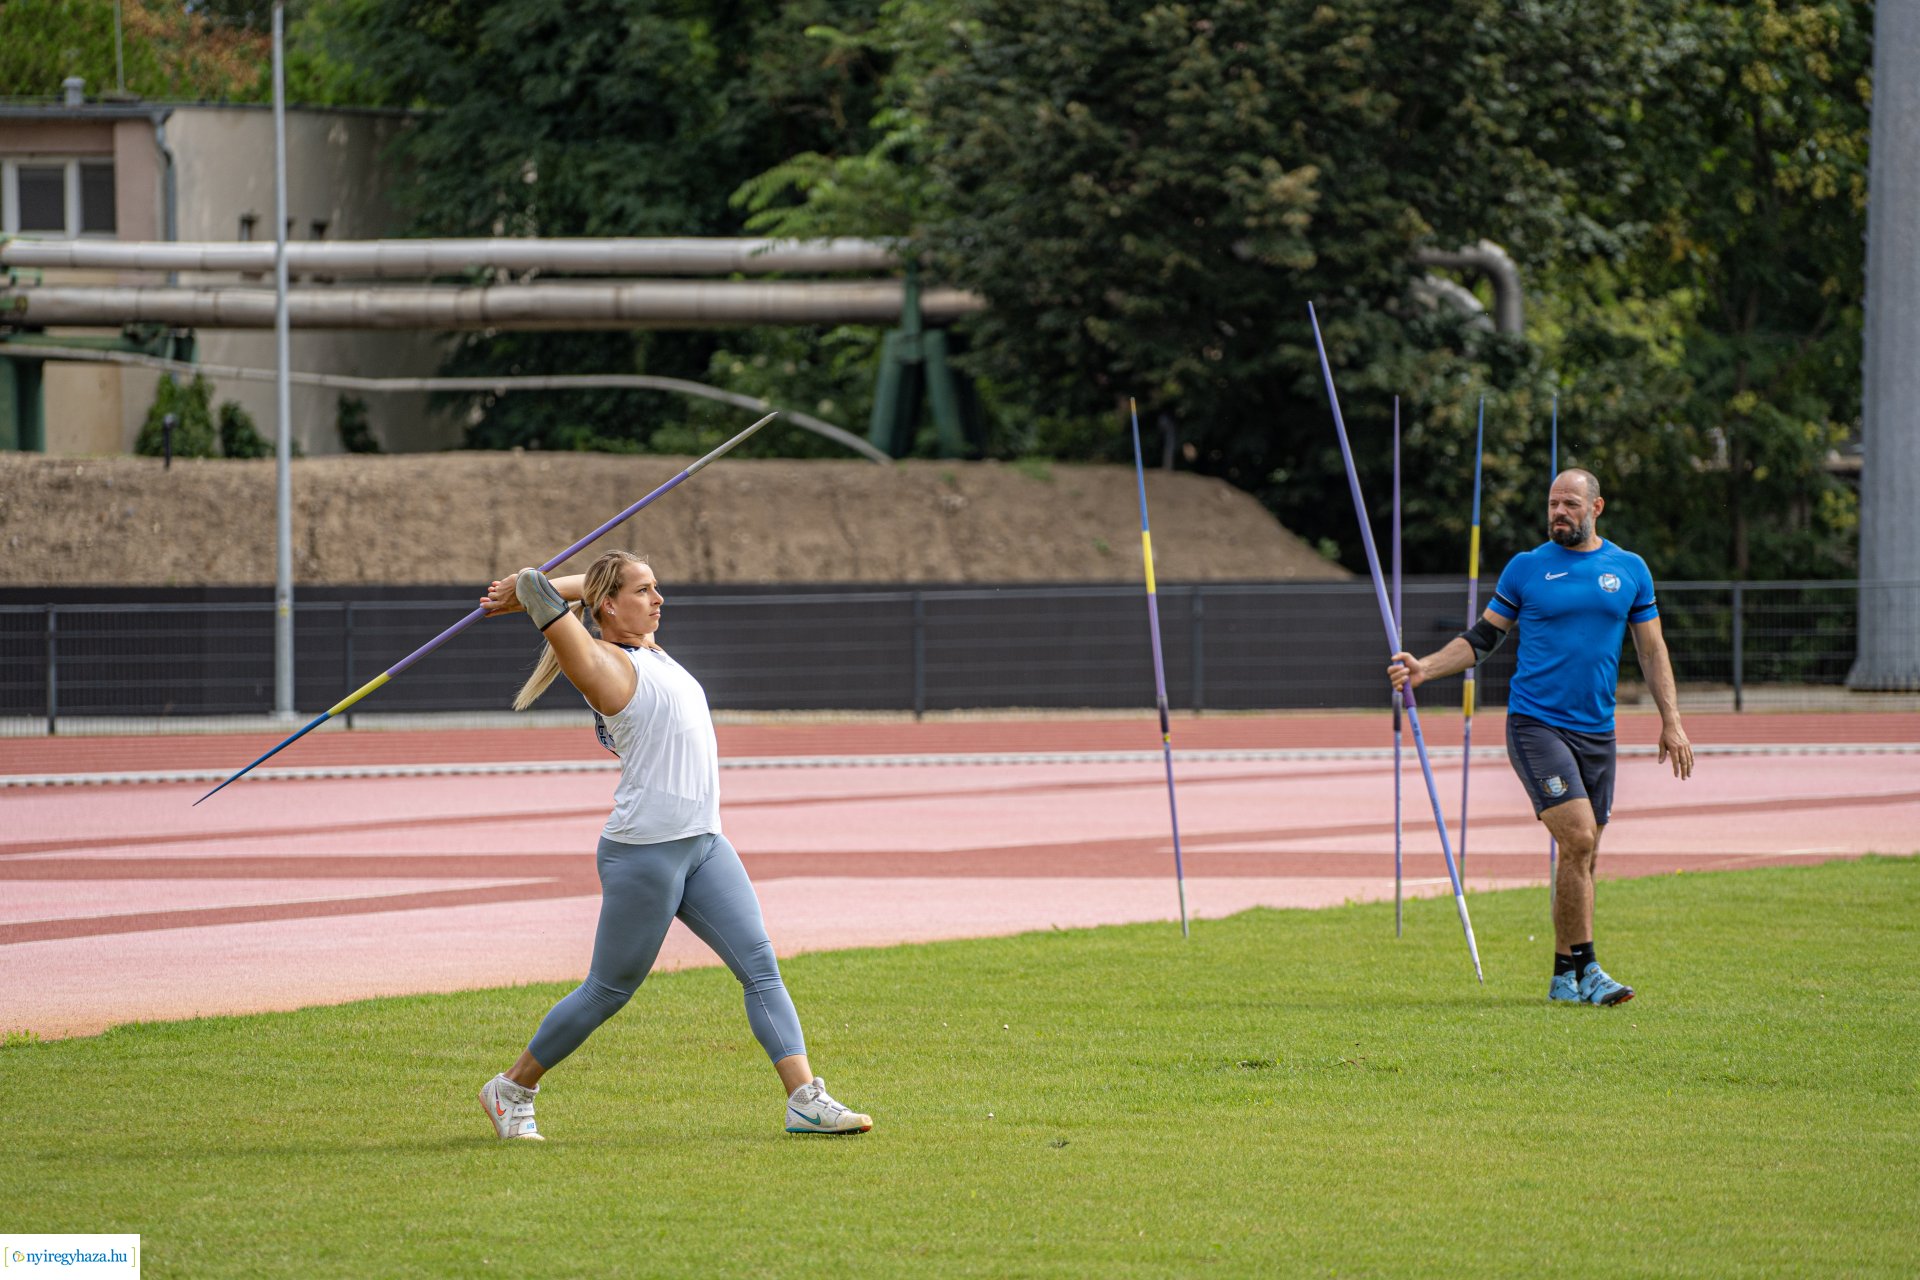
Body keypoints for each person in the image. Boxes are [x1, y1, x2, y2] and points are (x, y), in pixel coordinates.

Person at [473, 550, 871, 1140]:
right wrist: (524, 591)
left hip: (705, 843)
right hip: (645, 852)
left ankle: (805, 1100)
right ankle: (512, 1088)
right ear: (608, 606)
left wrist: (561, 587)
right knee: (608, 990)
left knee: (760, 967)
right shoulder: (602, 664)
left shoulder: (649, 648)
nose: (660, 600)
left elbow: (577, 588)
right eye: (646, 590)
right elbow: (540, 591)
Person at [1389, 469, 1694, 1006]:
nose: (1559, 513)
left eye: (1570, 504)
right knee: (1578, 839)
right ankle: (1591, 970)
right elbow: (1483, 638)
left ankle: (1561, 977)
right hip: (1535, 725)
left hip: (1598, 730)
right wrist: (1425, 669)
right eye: (1553, 504)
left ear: (1597, 507)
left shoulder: (1629, 570)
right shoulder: (1527, 568)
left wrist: (1670, 719)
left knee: (1584, 856)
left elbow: (1651, 650)